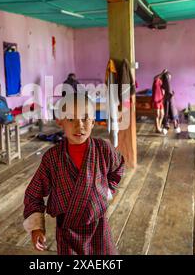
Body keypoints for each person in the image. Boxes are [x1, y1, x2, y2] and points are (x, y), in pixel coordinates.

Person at [23, 92, 125, 255]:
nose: (80, 125)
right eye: (71, 119)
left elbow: (118, 168)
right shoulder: (52, 158)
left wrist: (107, 191)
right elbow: (34, 193)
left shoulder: (103, 149)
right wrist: (36, 228)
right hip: (67, 232)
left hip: (98, 227)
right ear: (60, 122)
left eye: (85, 118)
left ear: (93, 122)